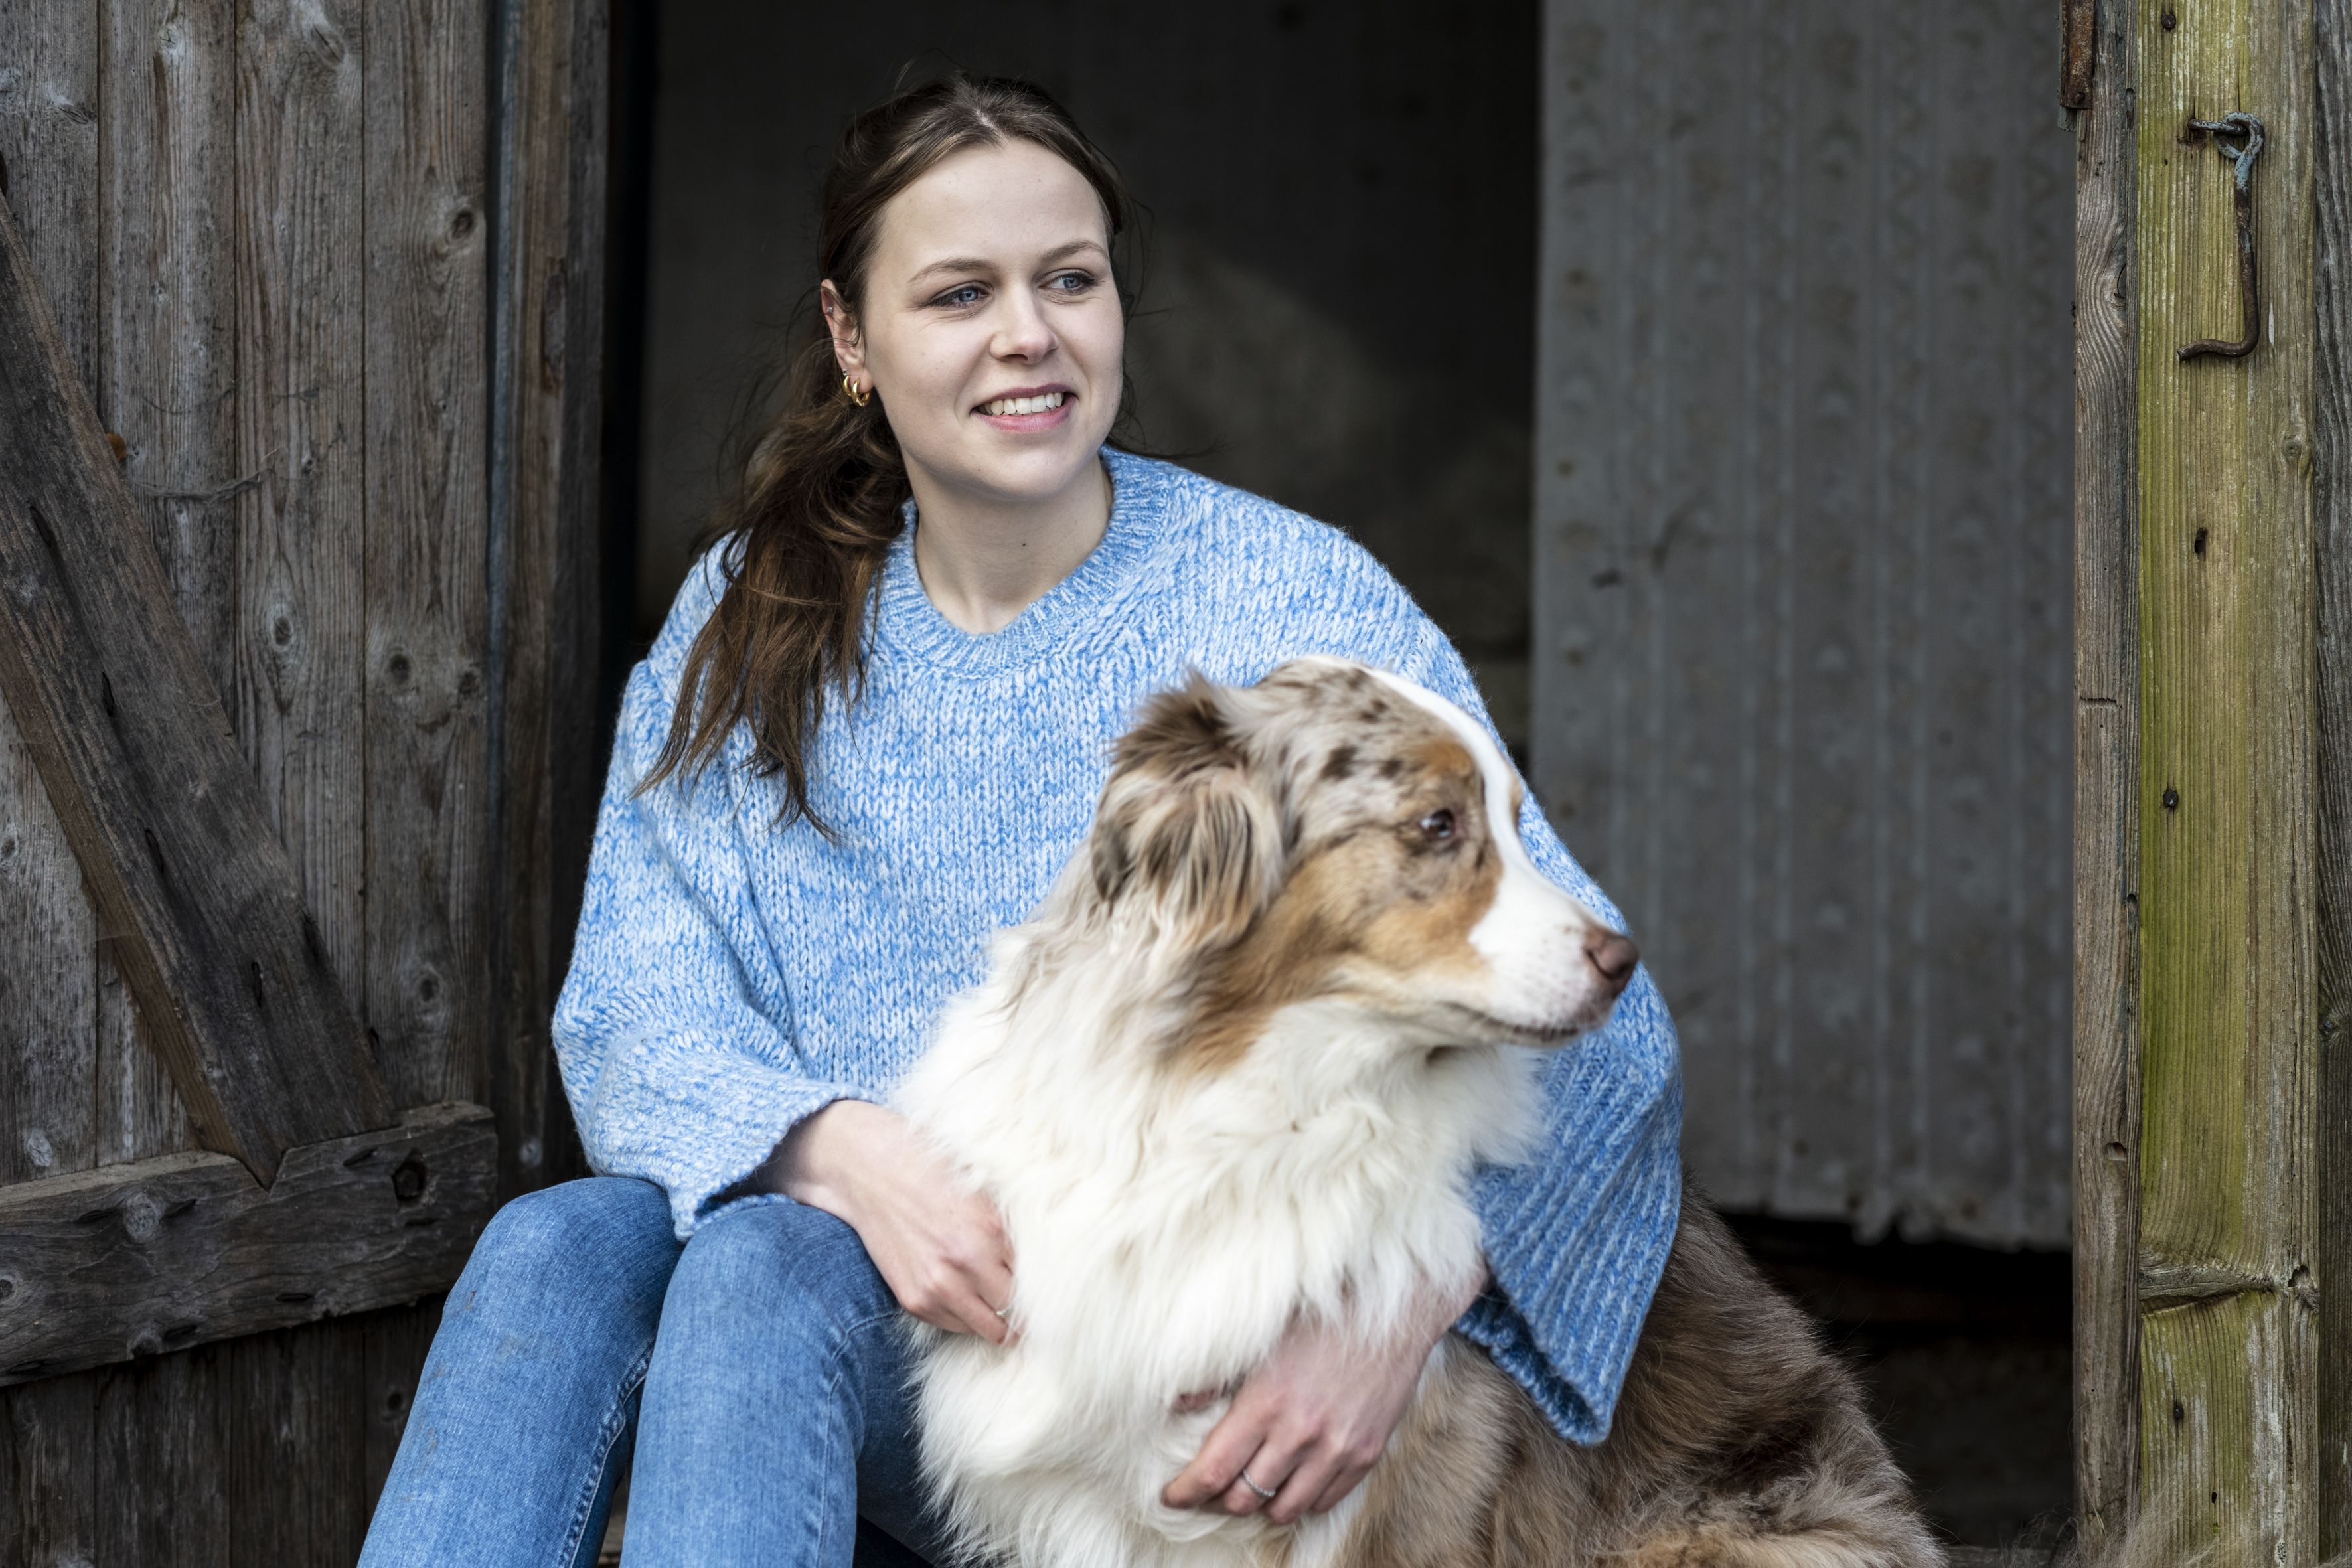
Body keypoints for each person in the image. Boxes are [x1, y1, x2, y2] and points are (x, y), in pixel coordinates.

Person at [358, 72, 1681, 1568]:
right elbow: (626, 1004)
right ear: (851, 340)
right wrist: (829, 1142)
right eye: (957, 293)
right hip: (875, 1363)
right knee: (582, 1239)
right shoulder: (749, 615)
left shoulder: (1291, 598)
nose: (1027, 334)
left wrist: (1406, 1304)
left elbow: (1606, 1035)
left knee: (757, 1262)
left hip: (1151, 1390)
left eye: (1070, 278)